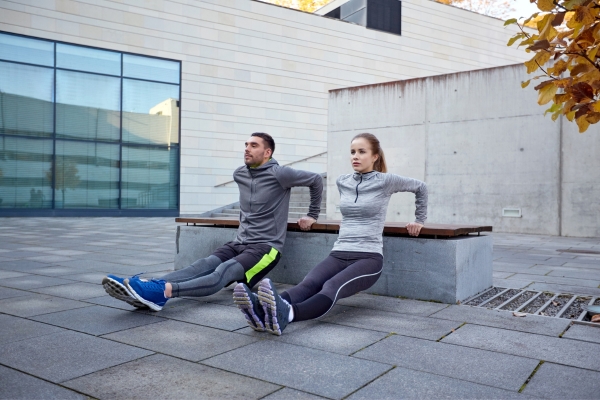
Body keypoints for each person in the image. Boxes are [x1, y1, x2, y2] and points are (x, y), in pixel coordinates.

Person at [102, 132, 323, 311]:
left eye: (253, 145)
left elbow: (315, 180)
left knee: (222, 272)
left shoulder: (280, 173)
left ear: (267, 152)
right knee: (202, 265)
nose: (246, 148)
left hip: (265, 248)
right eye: (246, 144)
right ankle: (152, 286)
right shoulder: (240, 174)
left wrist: (312, 214)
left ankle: (164, 292)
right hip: (239, 242)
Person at [233, 133, 428, 335]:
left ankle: (288, 314)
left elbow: (421, 187)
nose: (355, 156)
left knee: (331, 286)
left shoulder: (387, 181)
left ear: (375, 156)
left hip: (368, 257)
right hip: (339, 252)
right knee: (309, 283)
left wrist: (419, 220)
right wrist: (312, 216)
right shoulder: (344, 181)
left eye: (362, 152)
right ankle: (264, 312)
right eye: (353, 152)